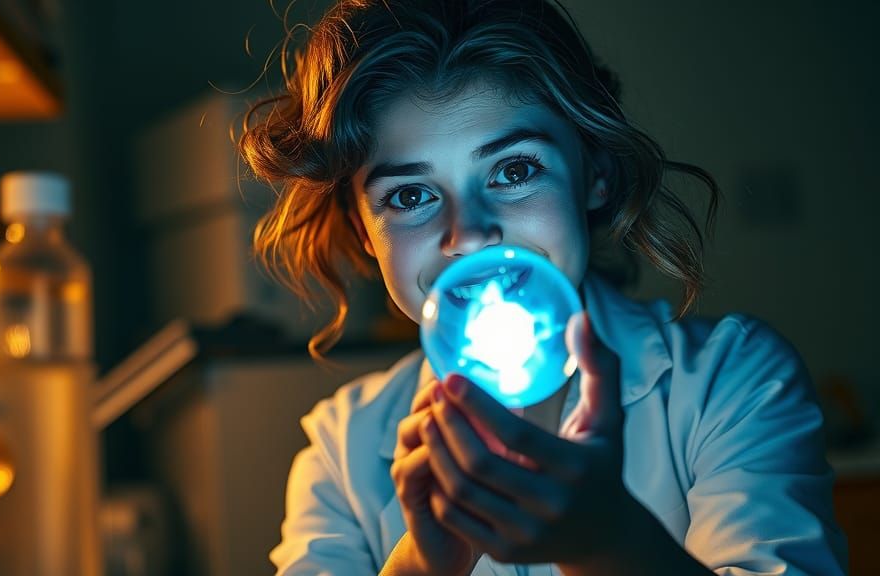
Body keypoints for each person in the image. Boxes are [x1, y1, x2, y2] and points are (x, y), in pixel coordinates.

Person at [238, 1, 848, 574]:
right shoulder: (340, 452)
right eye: (410, 196)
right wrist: (424, 566)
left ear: (595, 177)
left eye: (515, 170)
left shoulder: (730, 379)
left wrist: (607, 541)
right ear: (364, 233)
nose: (470, 235)